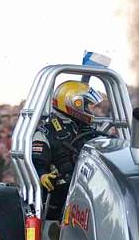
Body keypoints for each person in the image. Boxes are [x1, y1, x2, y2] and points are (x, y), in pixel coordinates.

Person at [32, 80, 105, 220]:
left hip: (88, 189)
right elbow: (36, 162)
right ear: (74, 103)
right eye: (88, 106)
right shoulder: (46, 132)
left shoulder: (86, 129)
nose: (91, 110)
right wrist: (43, 176)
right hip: (59, 197)